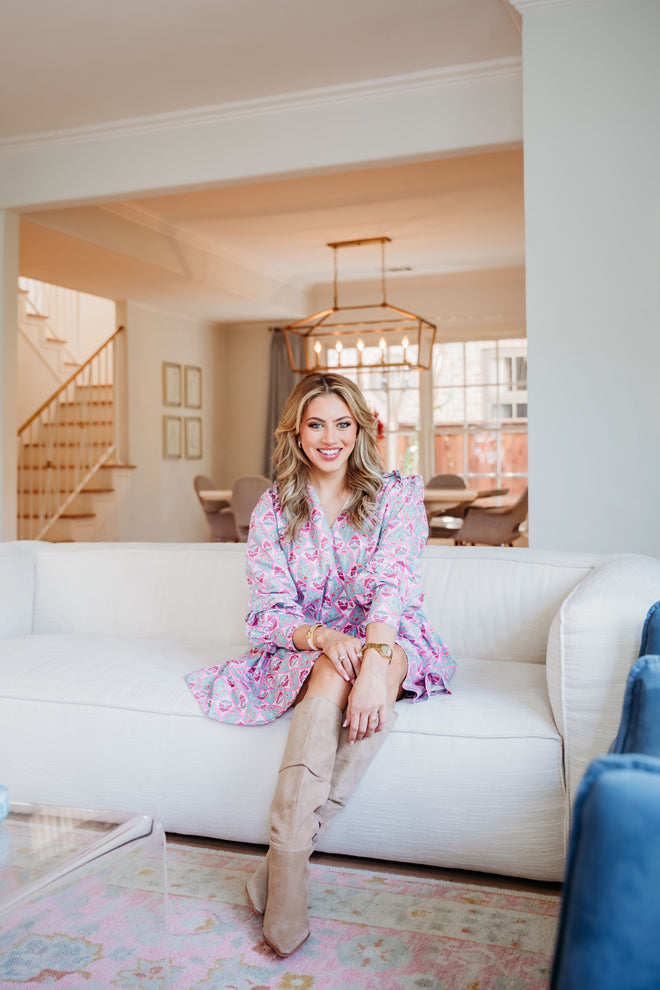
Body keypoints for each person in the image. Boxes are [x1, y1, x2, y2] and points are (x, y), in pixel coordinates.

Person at [186, 372, 455, 957]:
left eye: (342, 424)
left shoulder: (397, 494)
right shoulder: (274, 507)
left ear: (361, 429)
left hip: (389, 636)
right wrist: (325, 637)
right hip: (309, 644)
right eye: (316, 425)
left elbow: (391, 590)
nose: (329, 438)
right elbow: (269, 609)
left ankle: (279, 871)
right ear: (297, 432)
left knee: (357, 664)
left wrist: (375, 672)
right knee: (334, 664)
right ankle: (288, 879)